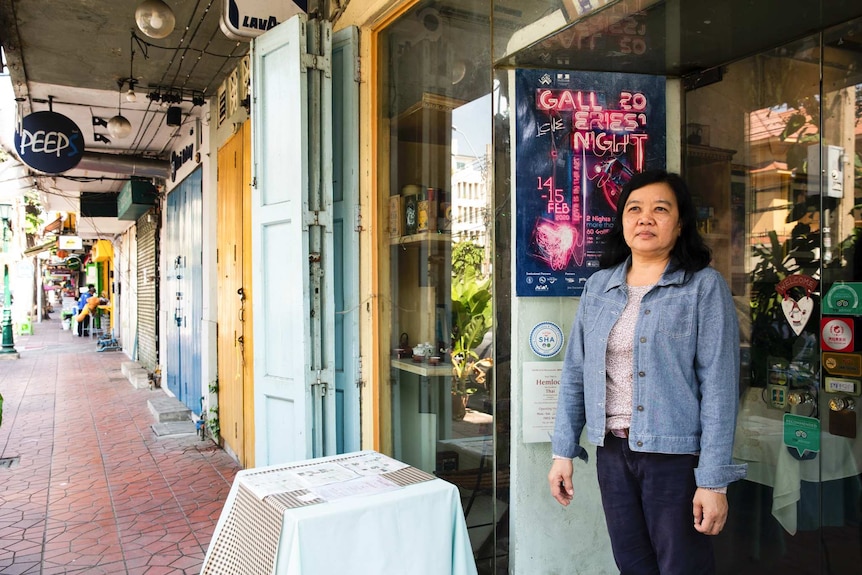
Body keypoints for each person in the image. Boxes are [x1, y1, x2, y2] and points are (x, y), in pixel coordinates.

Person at [548, 169, 746, 575]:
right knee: (632, 564)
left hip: (675, 459)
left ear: (681, 222)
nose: (645, 218)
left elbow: (720, 391)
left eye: (660, 209)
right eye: (634, 209)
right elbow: (575, 374)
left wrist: (712, 481)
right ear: (622, 221)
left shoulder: (703, 287)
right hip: (612, 455)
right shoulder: (598, 287)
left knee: (682, 566)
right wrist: (562, 452)